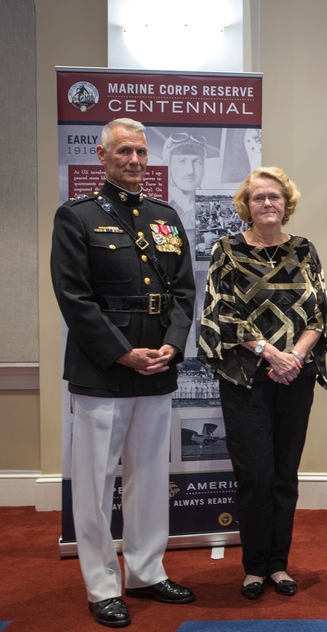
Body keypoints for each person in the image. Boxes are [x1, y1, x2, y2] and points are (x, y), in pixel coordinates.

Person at [50, 118, 197, 628]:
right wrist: (122, 352)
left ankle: (145, 571)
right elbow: (74, 297)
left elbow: (183, 291)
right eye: (124, 152)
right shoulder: (77, 217)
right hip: (102, 368)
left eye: (140, 152)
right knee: (93, 481)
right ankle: (101, 584)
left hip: (156, 364)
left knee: (150, 475)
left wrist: (171, 346)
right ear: (102, 157)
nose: (134, 161)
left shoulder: (164, 215)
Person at [198, 167, 327, 600]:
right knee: (255, 474)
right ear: (246, 206)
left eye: (274, 196)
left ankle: (279, 565)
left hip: (297, 376)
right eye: (259, 198)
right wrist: (270, 353)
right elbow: (221, 314)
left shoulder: (304, 250)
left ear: (286, 203)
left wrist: (294, 356)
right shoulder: (227, 250)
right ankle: (254, 566)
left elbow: (319, 314)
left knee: (284, 475)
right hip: (246, 378)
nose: (268, 204)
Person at [163, 131, 207, 231]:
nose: (190, 170)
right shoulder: (156, 205)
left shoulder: (206, 208)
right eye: (182, 161)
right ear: (168, 165)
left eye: (197, 162)